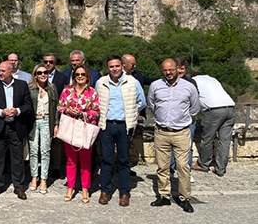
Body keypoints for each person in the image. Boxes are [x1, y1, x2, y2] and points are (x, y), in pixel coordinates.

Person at [147, 58, 200, 213]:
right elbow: (151, 104)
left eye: (171, 69)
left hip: (181, 132)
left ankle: (184, 198)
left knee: (183, 167)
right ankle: (164, 196)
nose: (168, 73)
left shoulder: (189, 87)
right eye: (165, 70)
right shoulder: (155, 86)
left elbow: (195, 108)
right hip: (162, 131)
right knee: (162, 166)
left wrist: (181, 119)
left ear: (178, 69)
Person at [95, 55, 146, 207]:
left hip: (125, 125)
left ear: (122, 66)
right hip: (107, 125)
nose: (115, 69)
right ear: (107, 68)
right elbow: (97, 101)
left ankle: (124, 192)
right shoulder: (101, 82)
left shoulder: (132, 82)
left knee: (124, 160)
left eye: (117, 66)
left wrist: (131, 113)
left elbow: (141, 101)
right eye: (111, 66)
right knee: (106, 159)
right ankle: (105, 190)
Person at [0, 60, 33, 200]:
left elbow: (28, 105)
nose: (0, 73)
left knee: (17, 158)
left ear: (11, 72)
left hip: (16, 126)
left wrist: (17, 111)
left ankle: (19, 187)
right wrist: (1, 112)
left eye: (3, 71)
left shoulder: (21, 85)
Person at [57, 65, 100, 203]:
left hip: (85, 128)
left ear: (87, 76)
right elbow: (59, 106)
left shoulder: (92, 92)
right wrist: (68, 110)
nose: (80, 77)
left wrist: (83, 113)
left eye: (82, 74)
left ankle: (85, 188)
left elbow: (96, 111)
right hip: (70, 128)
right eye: (77, 74)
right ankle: (70, 187)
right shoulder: (67, 90)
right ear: (74, 76)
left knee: (86, 161)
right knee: (71, 161)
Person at [191, 74, 235, 177]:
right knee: (224, 141)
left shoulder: (193, 81)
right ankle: (220, 168)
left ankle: (203, 164)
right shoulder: (212, 79)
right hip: (230, 107)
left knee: (207, 138)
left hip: (214, 110)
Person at [28, 63, 59, 195]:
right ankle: (34, 177)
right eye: (39, 73)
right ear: (35, 75)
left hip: (47, 121)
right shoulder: (30, 89)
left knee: (45, 151)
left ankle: (44, 179)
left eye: (45, 73)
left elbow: (57, 107)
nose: (42, 75)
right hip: (34, 122)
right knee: (34, 151)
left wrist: (56, 124)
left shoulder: (52, 88)